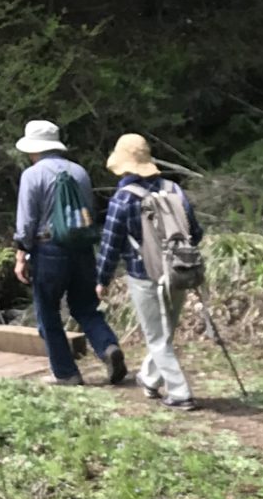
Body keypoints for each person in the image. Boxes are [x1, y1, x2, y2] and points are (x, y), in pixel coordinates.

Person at [12, 119, 126, 387]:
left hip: (48, 249)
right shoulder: (79, 172)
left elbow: (27, 221)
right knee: (85, 306)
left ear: (33, 149)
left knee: (48, 312)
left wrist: (21, 254)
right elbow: (88, 210)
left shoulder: (33, 175)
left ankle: (66, 373)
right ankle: (108, 346)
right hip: (82, 248)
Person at [95, 132, 197, 409]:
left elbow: (110, 244)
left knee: (156, 336)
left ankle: (179, 392)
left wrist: (101, 279)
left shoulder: (123, 199)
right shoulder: (174, 190)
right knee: (164, 333)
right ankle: (150, 378)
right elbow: (194, 232)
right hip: (180, 271)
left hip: (144, 276)